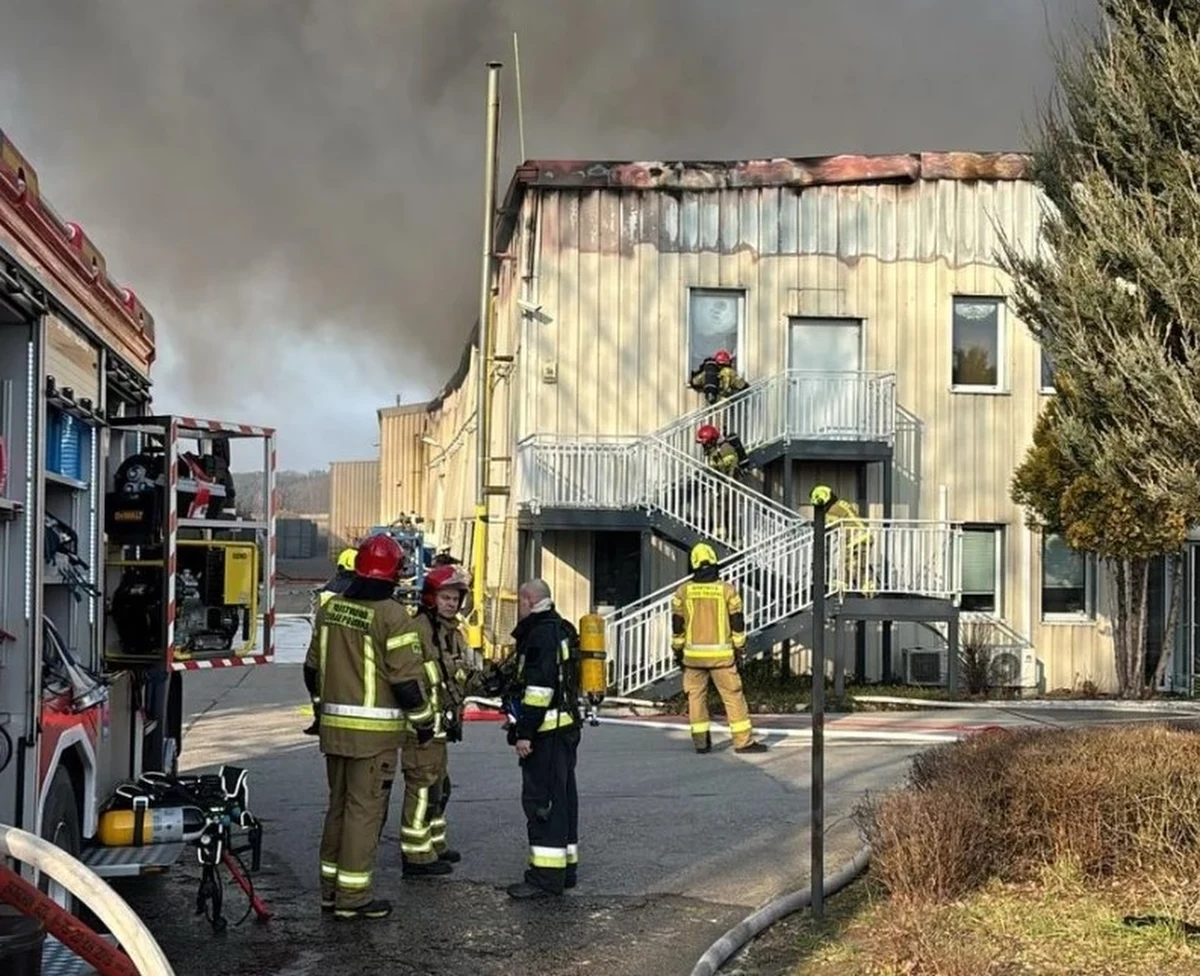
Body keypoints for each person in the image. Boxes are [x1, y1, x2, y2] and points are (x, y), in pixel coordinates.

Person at [303, 533, 437, 920]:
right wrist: (425, 724)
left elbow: (311, 670)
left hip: (334, 732)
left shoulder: (330, 610)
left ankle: (330, 892)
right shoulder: (393, 616)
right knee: (365, 813)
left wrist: (321, 711)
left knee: (339, 809)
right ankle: (354, 898)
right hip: (374, 739)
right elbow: (406, 683)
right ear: (394, 574)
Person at [400, 563, 483, 874]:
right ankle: (416, 856)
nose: (451, 603)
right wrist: (422, 720)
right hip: (422, 727)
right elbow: (410, 677)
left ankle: (434, 844)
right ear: (432, 598)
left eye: (455, 598)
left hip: (440, 727)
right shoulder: (418, 629)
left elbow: (460, 672)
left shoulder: (453, 633)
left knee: (439, 788)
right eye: (446, 597)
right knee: (422, 790)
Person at [505, 579, 581, 900]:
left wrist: (524, 733)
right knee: (562, 798)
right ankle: (565, 869)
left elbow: (538, 690)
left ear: (527, 600)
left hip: (545, 733)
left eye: (519, 602)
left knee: (543, 804)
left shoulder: (539, 634)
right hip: (563, 729)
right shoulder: (561, 627)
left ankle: (546, 878)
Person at [670, 543, 767, 755]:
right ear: (714, 561)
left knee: (696, 698)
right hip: (722, 657)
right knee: (733, 697)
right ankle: (743, 742)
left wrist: (677, 648)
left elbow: (678, 624)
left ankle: (701, 743)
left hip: (693, 657)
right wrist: (740, 647)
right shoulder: (727, 590)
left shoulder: (683, 591)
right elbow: (737, 621)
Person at [304, 547, 361, 735]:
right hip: (354, 645)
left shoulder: (330, 587)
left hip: (326, 643)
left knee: (318, 685)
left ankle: (319, 719)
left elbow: (319, 617)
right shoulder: (359, 589)